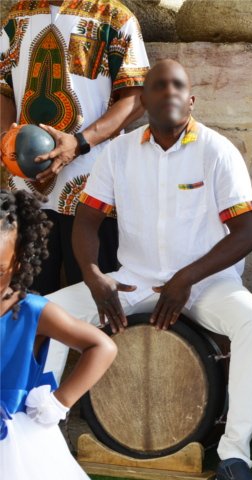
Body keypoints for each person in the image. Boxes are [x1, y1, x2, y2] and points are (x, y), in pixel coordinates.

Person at [44, 59, 252, 480]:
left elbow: (246, 235)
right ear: (144, 100)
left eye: (177, 86)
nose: (168, 92)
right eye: (158, 86)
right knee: (51, 312)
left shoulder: (217, 150)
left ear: (190, 99)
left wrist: (186, 278)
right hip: (135, 281)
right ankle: (46, 434)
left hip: (207, 284)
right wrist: (93, 276)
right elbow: (87, 222)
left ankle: (234, 457)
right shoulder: (119, 151)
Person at [0, 0, 149, 294]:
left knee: (95, 297)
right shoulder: (18, 17)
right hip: (23, 186)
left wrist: (79, 143)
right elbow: (3, 89)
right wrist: (6, 135)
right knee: (23, 295)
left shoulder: (115, 18)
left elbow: (135, 97)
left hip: (92, 186)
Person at [0, 189, 123, 480]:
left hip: (13, 446)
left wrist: (59, 401)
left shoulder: (31, 312)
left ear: (20, 260)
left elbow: (102, 347)